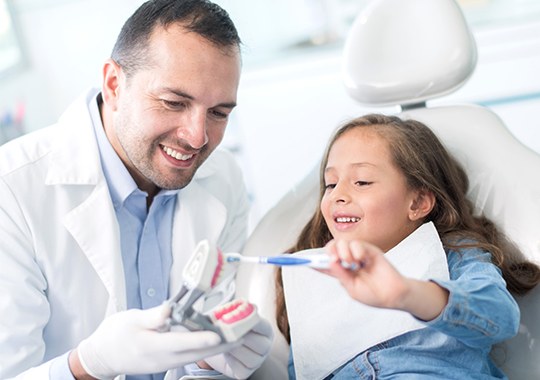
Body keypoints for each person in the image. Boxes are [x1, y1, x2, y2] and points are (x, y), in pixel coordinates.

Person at [0, 1, 273, 379]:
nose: (197, 136)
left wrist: (211, 361)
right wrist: (88, 365)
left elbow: (208, 330)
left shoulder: (222, 178)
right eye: (173, 103)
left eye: (219, 113)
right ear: (114, 84)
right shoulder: (11, 192)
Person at [275, 114, 540, 379]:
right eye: (330, 184)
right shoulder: (314, 279)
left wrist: (406, 293)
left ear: (417, 203)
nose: (337, 195)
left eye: (362, 181)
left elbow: (500, 317)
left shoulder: (453, 254)